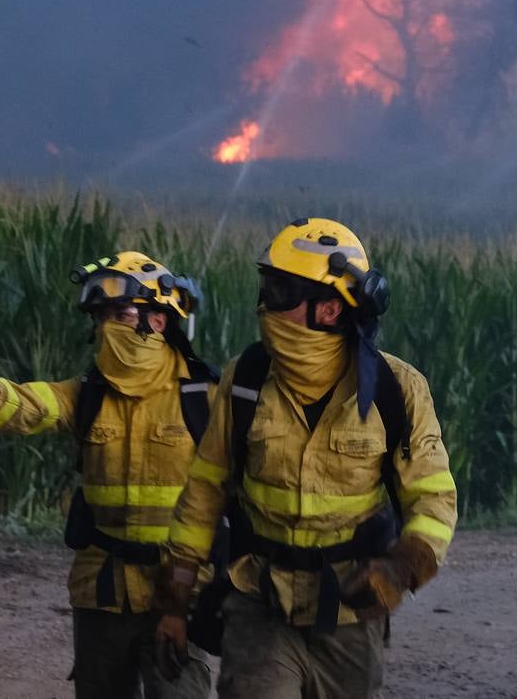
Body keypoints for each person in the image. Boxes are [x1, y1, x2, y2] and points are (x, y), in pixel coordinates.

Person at [153, 218, 457, 699]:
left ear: (330, 309)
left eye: (281, 292)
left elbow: (434, 500)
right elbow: (202, 497)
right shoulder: (247, 380)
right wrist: (175, 602)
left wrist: (400, 570)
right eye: (267, 287)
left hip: (350, 611)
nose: (264, 305)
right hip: (260, 603)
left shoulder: (396, 390)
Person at [0, 251, 217, 699]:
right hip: (102, 593)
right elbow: (25, 405)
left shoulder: (204, 397)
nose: (108, 326)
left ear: (159, 321)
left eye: (121, 314)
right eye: (101, 317)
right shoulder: (87, 395)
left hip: (177, 595)